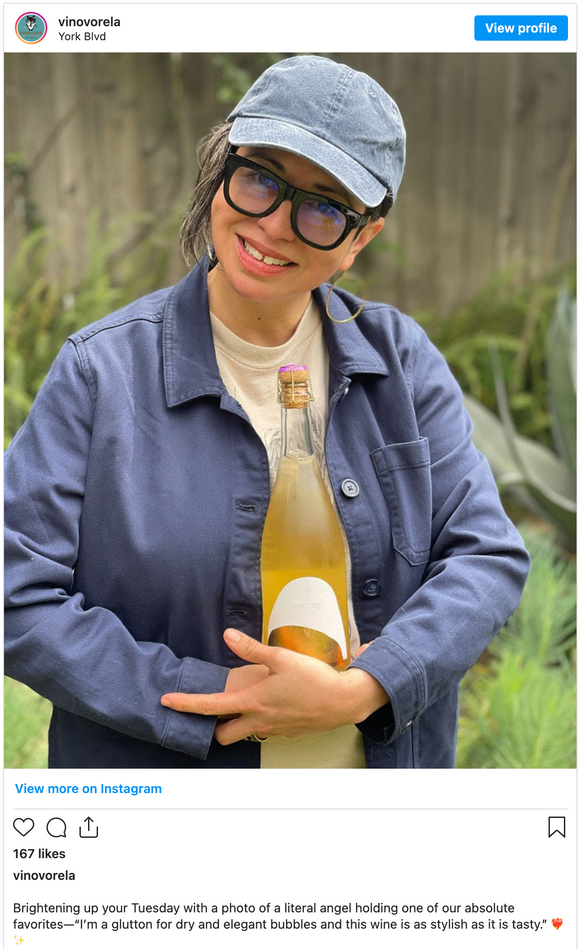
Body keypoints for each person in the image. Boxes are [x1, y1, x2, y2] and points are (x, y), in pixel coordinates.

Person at [4, 56, 530, 769]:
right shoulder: (102, 373)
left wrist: (368, 686)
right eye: (260, 179)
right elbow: (18, 596)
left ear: (360, 239)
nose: (275, 225)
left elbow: (486, 556)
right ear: (222, 170)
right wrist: (205, 696)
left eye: (322, 207)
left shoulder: (401, 361)